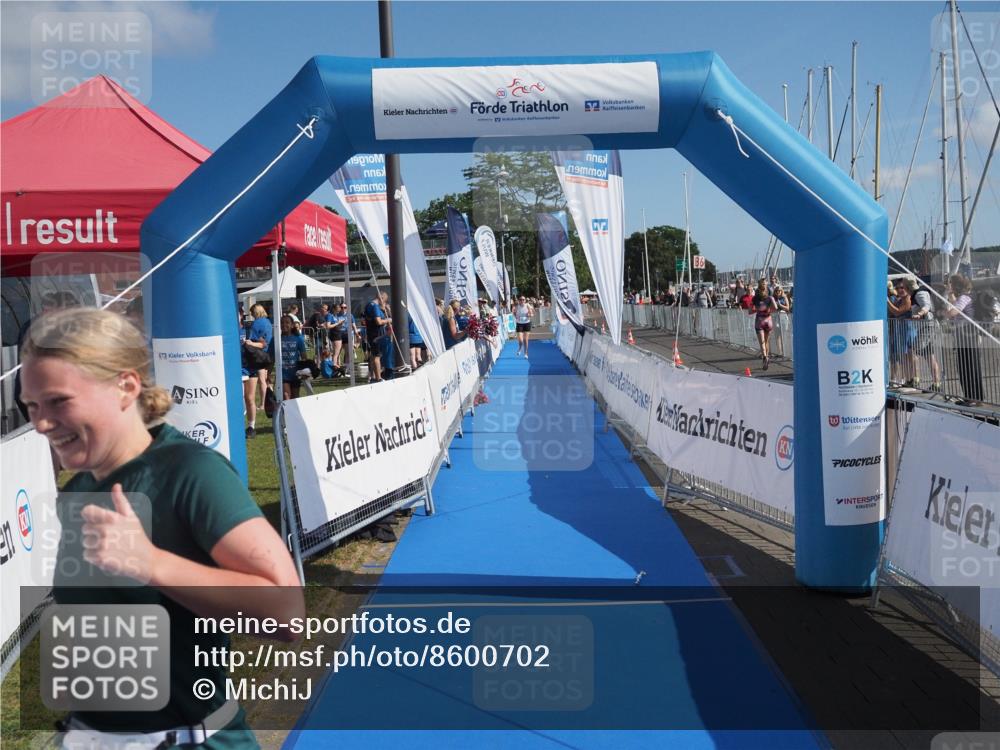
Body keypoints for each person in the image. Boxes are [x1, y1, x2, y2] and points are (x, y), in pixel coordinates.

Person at [18, 308, 303, 748]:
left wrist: (151, 564)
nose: (40, 423)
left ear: (126, 386)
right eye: (32, 406)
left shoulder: (189, 472)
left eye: (59, 401)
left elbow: (287, 615)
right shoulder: (77, 490)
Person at [944, 274, 983, 404]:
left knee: (969, 367)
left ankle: (974, 398)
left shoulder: (964, 297)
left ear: (956, 286)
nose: (949, 285)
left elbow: (953, 312)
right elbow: (956, 304)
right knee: (964, 368)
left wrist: (943, 312)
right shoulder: (963, 298)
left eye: (951, 284)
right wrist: (950, 293)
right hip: (963, 337)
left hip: (967, 338)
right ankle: (969, 396)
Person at [243, 304, 272, 438]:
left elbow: (258, 342)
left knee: (261, 381)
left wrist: (249, 343)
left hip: (253, 358)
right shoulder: (268, 322)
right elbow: (265, 342)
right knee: (263, 380)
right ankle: (263, 403)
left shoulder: (255, 324)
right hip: (262, 357)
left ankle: (263, 403)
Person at [908, 277, 942, 392]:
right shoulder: (917, 293)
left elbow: (926, 306)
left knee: (913, 350)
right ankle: (936, 384)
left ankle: (915, 379)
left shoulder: (919, 293)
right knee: (929, 355)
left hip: (927, 326)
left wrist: (920, 314)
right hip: (927, 326)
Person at [888, 279, 916, 387]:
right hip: (900, 329)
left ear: (908, 289)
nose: (900, 290)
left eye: (902, 287)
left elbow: (897, 312)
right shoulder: (899, 299)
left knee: (907, 355)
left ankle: (909, 379)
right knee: (902, 355)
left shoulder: (908, 299)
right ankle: (905, 379)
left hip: (907, 329)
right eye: (898, 288)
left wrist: (887, 301)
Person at [273, 314, 307, 400]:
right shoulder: (276, 339)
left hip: (295, 373)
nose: (284, 325)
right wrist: (268, 373)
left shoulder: (298, 338)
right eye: (282, 323)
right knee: (286, 395)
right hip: (282, 374)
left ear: (292, 325)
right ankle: (287, 413)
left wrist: (305, 371)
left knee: (295, 398)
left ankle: (294, 413)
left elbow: (304, 357)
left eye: (287, 322)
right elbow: (271, 357)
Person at [364, 292, 391, 383]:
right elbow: (378, 322)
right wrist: (388, 320)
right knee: (377, 356)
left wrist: (384, 310)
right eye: (384, 301)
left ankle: (372, 376)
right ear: (381, 298)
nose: (383, 303)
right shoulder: (374, 306)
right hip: (376, 334)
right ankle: (378, 378)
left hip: (371, 333)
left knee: (373, 356)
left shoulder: (368, 305)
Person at [749, 280, 777, 369]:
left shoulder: (755, 298)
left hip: (760, 321)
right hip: (768, 320)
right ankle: (766, 357)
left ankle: (765, 357)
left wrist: (758, 310)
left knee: (762, 342)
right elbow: (775, 308)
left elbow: (750, 311)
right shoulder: (770, 298)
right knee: (766, 341)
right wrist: (768, 310)